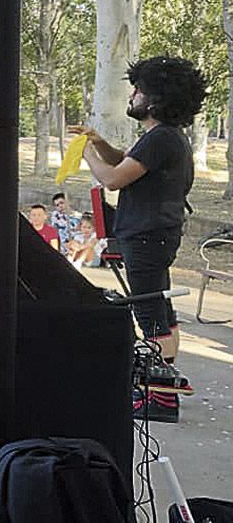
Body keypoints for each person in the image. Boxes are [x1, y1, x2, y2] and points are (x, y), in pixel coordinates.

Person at [74, 56, 207, 423]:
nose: (132, 96)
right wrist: (99, 142)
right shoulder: (161, 138)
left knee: (149, 313)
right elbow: (124, 161)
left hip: (147, 236)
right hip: (155, 235)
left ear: (157, 99)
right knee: (161, 309)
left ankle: (160, 397)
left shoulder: (161, 137)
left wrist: (86, 156)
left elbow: (114, 179)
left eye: (139, 90)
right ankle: (163, 386)